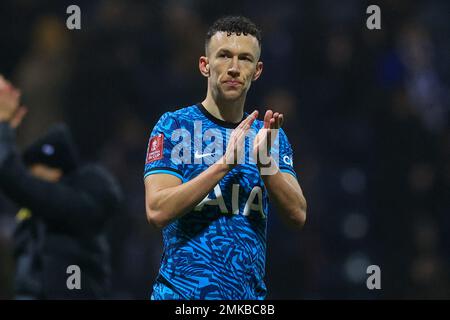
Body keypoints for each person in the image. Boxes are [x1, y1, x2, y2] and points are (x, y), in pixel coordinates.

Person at [144, 16, 307, 300]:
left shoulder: (268, 135)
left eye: (244, 59)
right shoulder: (174, 126)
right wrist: (224, 165)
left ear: (257, 71)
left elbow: (298, 215)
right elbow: (157, 211)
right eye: (224, 56)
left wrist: (266, 164)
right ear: (204, 65)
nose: (234, 68)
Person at [0, 75, 122, 299]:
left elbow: (12, 177)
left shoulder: (76, 202)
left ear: (58, 171)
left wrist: (3, 125)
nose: (31, 178)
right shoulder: (34, 217)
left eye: (37, 170)